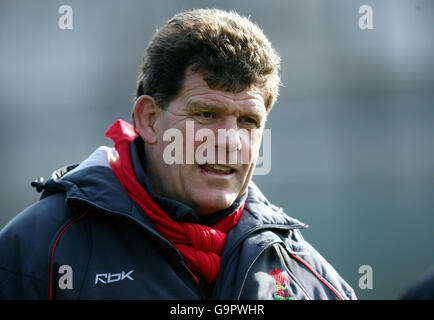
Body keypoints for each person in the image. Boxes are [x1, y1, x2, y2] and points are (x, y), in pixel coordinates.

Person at [0, 8, 356, 300]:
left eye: (248, 121)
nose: (229, 141)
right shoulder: (37, 253)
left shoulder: (310, 280)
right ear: (149, 120)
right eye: (206, 115)